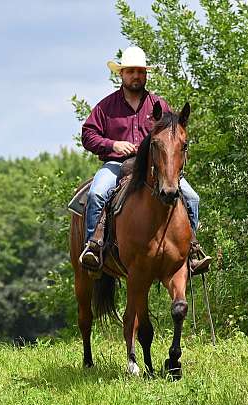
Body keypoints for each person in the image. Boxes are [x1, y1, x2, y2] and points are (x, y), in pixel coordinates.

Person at [79, 46, 211, 275]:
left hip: (156, 167)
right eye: (130, 71)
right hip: (118, 165)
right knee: (97, 192)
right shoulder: (106, 107)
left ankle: (191, 249)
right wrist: (113, 145)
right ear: (121, 74)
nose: (136, 76)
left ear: (146, 74)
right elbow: (88, 135)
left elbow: (174, 137)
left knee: (192, 197)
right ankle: (94, 246)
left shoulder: (158, 105)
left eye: (140, 71)